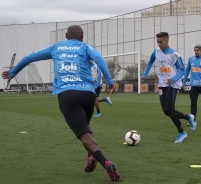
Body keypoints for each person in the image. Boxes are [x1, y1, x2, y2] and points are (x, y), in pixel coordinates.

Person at [2, 25, 120, 182]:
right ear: (82, 36)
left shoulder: (55, 47)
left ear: (66, 35)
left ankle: (106, 162)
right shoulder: (85, 47)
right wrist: (110, 79)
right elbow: (98, 59)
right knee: (85, 127)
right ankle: (91, 157)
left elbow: (29, 57)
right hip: (88, 94)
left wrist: (13, 72)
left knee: (83, 134)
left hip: (67, 94)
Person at [142, 32, 196, 144]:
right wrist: (145, 74)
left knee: (170, 109)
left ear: (167, 41)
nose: (159, 44)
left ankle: (182, 132)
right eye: (157, 42)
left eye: (161, 42)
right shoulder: (156, 52)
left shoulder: (175, 55)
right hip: (162, 84)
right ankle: (188, 117)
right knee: (166, 111)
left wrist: (174, 78)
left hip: (173, 85)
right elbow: (150, 62)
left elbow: (182, 70)